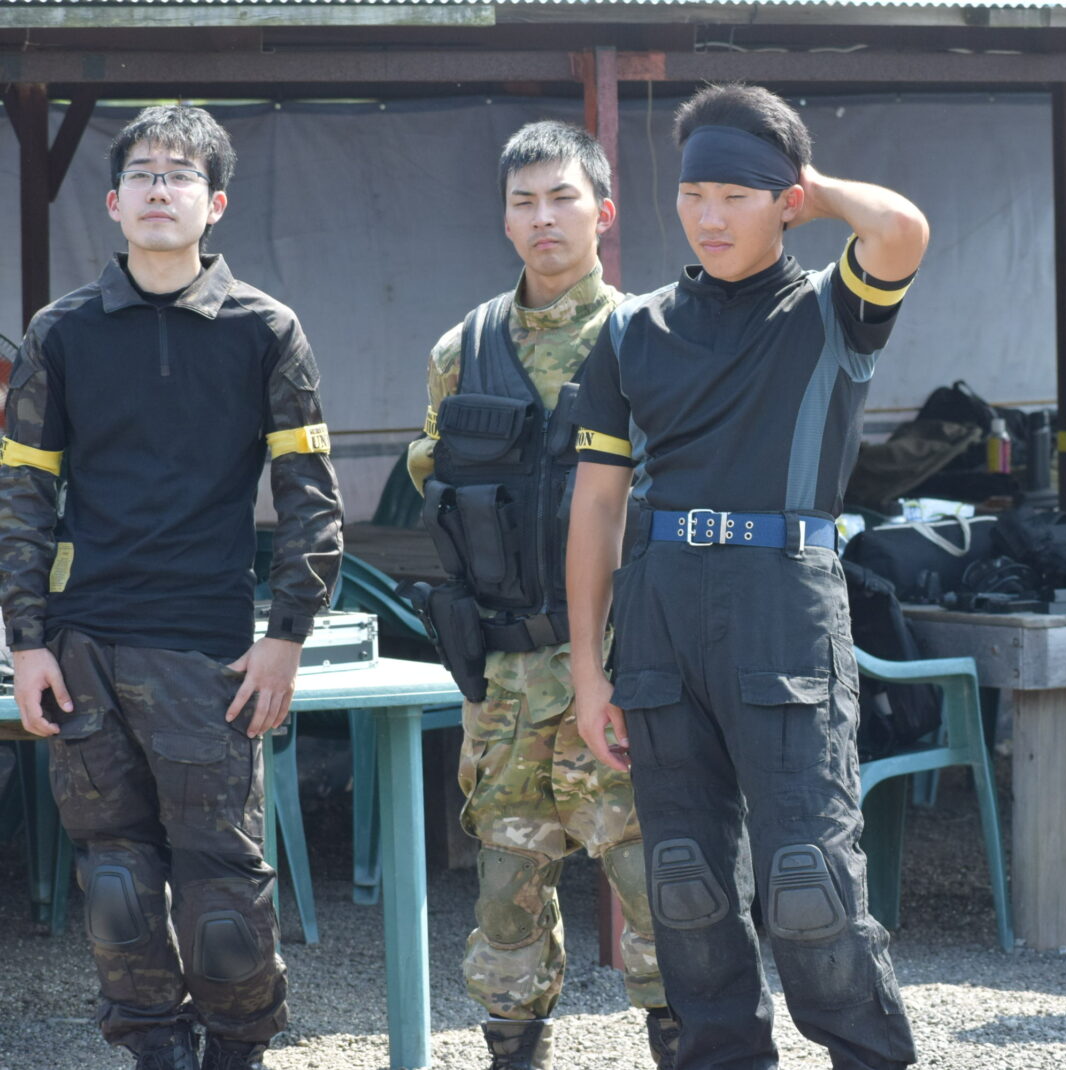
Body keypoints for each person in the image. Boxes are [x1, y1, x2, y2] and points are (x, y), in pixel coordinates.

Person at [566, 83, 929, 1069]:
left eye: (736, 194)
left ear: (786, 201)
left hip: (784, 605)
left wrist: (811, 184)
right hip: (661, 611)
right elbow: (596, 508)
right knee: (685, 886)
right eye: (694, 193)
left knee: (809, 886)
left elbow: (901, 229)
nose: (710, 215)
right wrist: (589, 671)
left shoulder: (832, 312)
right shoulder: (630, 331)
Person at [0, 105, 343, 1069]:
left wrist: (286, 637)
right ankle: (153, 1052)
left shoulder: (265, 330)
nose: (160, 188)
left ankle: (236, 1051)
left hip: (208, 655)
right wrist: (26, 641)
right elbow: (22, 497)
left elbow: (311, 500)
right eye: (143, 173)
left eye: (181, 174)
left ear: (214, 203)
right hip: (83, 653)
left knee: (223, 895)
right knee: (114, 888)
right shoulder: (60, 333)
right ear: (113, 202)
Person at [404, 120, 673, 1070]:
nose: (543, 217)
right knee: (504, 896)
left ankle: (689, 1046)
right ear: (505, 219)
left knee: (660, 885)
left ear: (604, 212)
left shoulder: (651, 338)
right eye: (524, 201)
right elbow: (441, 494)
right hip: (508, 674)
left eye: (563, 197)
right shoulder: (461, 350)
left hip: (627, 667)